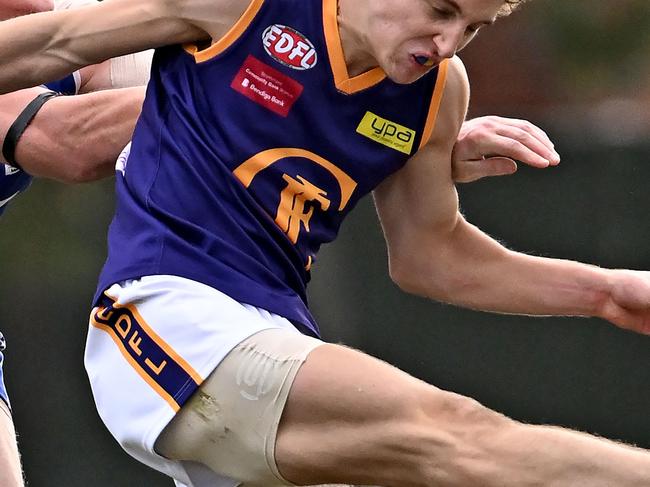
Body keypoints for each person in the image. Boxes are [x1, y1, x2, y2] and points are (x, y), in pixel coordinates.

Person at [10, 0, 650, 486]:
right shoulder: (248, 10)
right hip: (165, 311)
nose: (450, 41)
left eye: (473, 28)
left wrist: (606, 292)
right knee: (455, 432)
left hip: (279, 329)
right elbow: (53, 47)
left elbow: (435, 256)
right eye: (441, 9)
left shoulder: (435, 92)